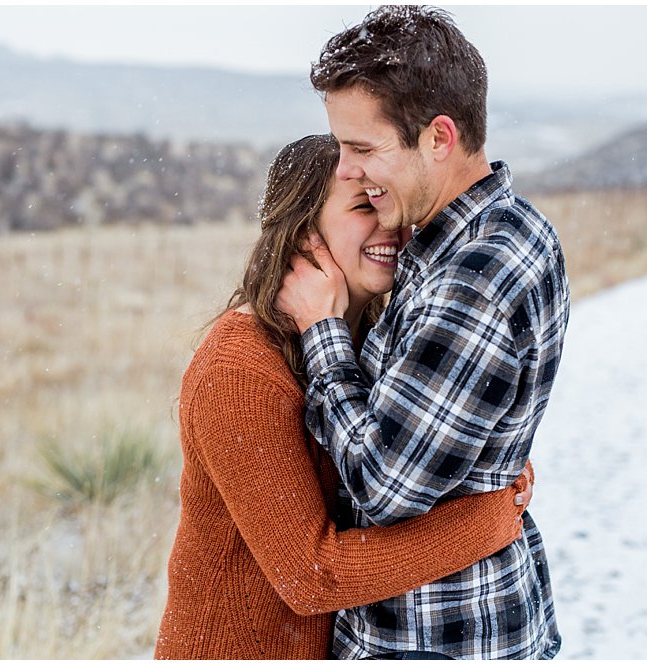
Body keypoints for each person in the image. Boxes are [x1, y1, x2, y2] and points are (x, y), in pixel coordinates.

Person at [154, 134, 536, 660]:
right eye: (364, 206)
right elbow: (313, 576)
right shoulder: (237, 372)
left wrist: (492, 463)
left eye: (388, 199)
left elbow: (412, 446)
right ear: (301, 233)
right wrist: (486, 519)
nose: (391, 225)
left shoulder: (368, 334)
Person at [275, 6, 569, 660]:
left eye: (361, 147)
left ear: (438, 137)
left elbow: (385, 485)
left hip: (432, 636)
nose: (346, 170)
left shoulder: (476, 275)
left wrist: (323, 331)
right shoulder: (493, 231)